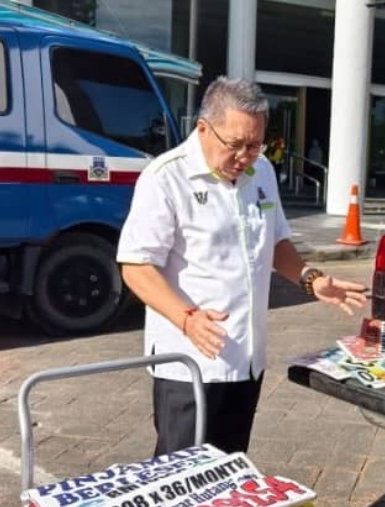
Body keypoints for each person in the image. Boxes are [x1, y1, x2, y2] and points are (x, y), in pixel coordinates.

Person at [116, 76, 367, 457]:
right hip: (190, 364)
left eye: (255, 145)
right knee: (182, 476)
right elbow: (136, 266)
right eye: (235, 145)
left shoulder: (260, 170)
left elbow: (275, 242)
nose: (245, 157)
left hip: (246, 361)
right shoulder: (166, 178)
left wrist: (310, 278)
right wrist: (187, 318)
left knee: (231, 472)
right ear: (204, 128)